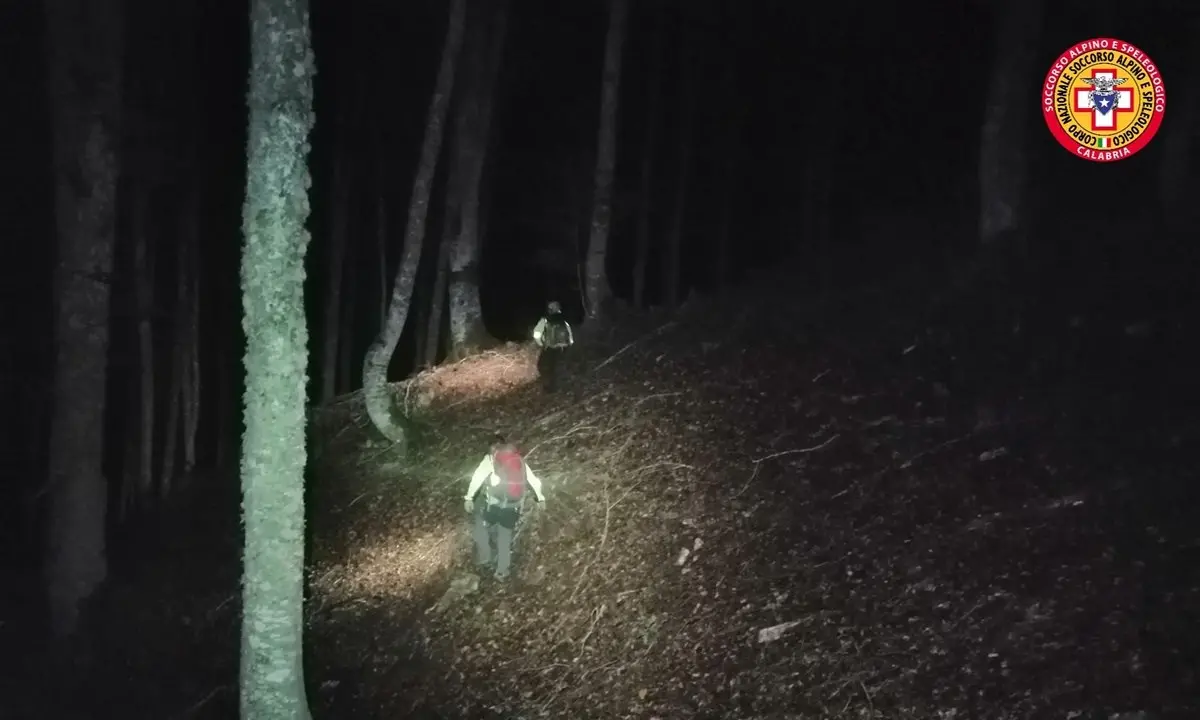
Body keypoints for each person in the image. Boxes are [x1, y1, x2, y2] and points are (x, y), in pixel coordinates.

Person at [462, 436, 546, 581]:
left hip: (494, 506)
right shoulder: (518, 459)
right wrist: (540, 498)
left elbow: (477, 478)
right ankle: (502, 571)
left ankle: (485, 558)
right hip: (513, 507)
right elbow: (533, 479)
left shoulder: (490, 459)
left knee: (480, 525)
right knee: (504, 538)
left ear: (492, 448)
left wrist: (469, 498)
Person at [532, 300, 574, 392]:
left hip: (550, 347)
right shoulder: (564, 321)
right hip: (563, 348)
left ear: (550, 309)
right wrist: (568, 345)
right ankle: (562, 386)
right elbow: (570, 337)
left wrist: (541, 343)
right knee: (558, 366)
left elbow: (536, 334)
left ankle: (549, 387)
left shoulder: (545, 320)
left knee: (543, 366)